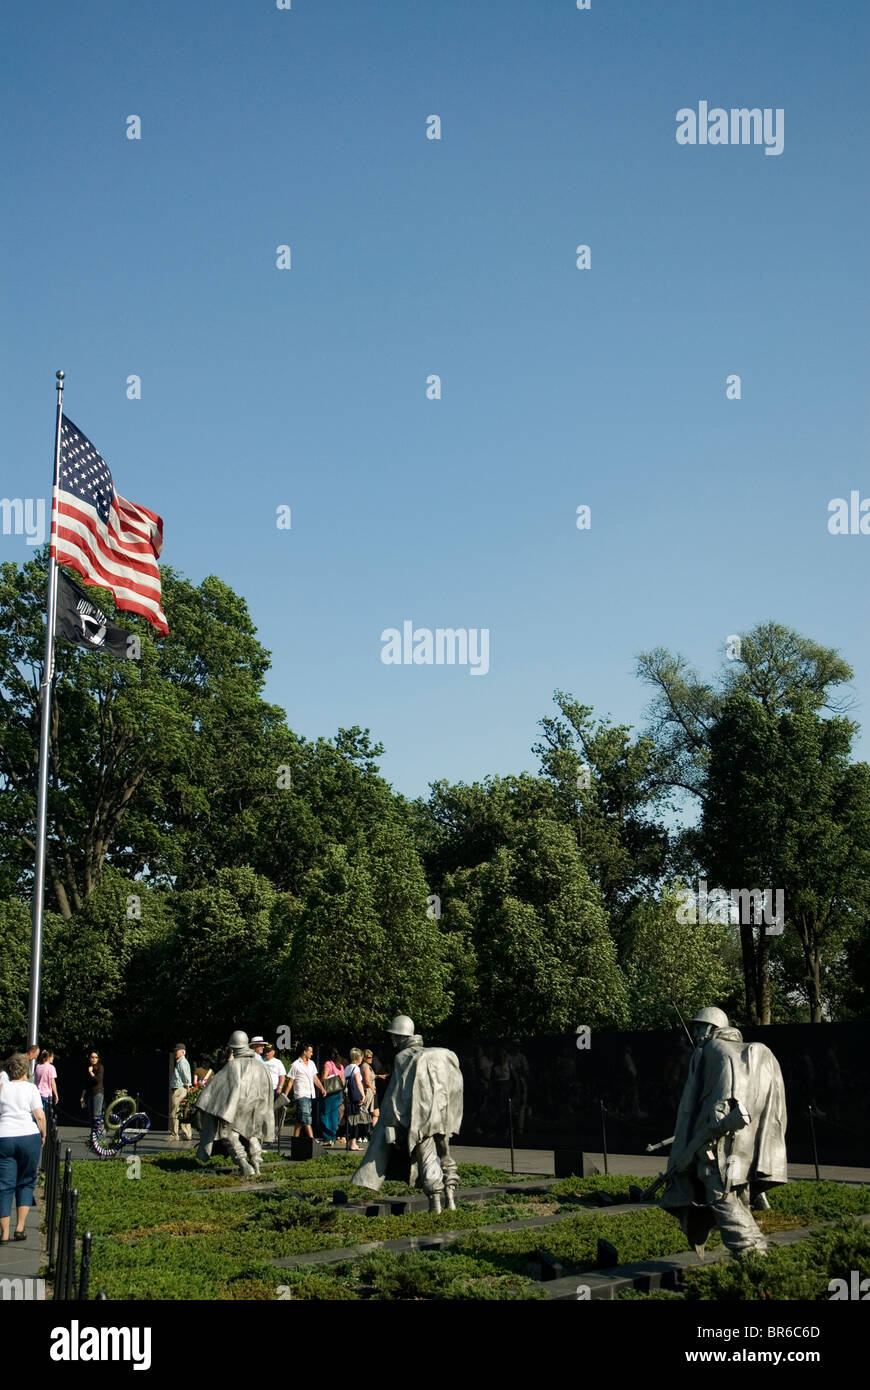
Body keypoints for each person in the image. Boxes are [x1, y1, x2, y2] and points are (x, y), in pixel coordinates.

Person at [660, 1007, 787, 1257]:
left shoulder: (716, 1049)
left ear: (712, 1028)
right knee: (737, 1201)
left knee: (720, 1198)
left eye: (699, 1027)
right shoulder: (746, 1053)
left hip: (716, 1147)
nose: (695, 1033)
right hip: (740, 1147)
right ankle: (759, 1251)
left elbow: (725, 1098)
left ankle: (750, 1256)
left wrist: (700, 1141)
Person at [352, 1016, 463, 1212]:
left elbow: (396, 1095)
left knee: (427, 1157)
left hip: (422, 1117)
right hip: (444, 1113)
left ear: (400, 1037)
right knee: (445, 1154)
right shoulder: (441, 1055)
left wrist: (393, 1123)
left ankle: (435, 1206)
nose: (393, 1041)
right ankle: (451, 1202)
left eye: (394, 1037)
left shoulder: (402, 1058)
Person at [195, 1030, 275, 1178]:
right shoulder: (262, 1066)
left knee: (228, 1135)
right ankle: (257, 1165)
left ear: (233, 1048)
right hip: (256, 1110)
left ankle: (244, 1165)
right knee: (252, 1135)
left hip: (237, 1109)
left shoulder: (233, 1066)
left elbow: (212, 1090)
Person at [0, 1053, 46, 1243]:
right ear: (25, 1070)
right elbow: (39, 1115)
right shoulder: (30, 1088)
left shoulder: (2, 1088)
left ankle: (4, 1233)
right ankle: (20, 1227)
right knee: (26, 1181)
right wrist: (43, 1134)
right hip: (28, 1136)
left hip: (4, 1137)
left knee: (4, 1186)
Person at [288, 1044, 326, 1140]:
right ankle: (311, 1139)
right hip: (301, 1094)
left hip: (310, 1094)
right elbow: (290, 1082)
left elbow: (315, 1078)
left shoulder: (311, 1063)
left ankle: (295, 1140)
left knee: (300, 1119)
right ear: (305, 1052)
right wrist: (285, 1095)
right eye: (310, 1051)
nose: (312, 1054)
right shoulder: (295, 1065)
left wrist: (321, 1088)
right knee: (306, 1118)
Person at [343, 1049, 368, 1152]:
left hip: (348, 1096)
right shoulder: (356, 1069)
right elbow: (358, 1083)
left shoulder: (347, 1068)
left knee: (350, 1119)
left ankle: (350, 1142)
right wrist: (363, 1095)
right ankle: (353, 1143)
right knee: (356, 1120)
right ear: (359, 1058)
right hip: (356, 1097)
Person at [319, 1049, 345, 1145]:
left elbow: (324, 1078)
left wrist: (322, 1081)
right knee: (334, 1115)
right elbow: (342, 1081)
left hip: (329, 1092)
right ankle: (333, 1136)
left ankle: (327, 1137)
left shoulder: (328, 1064)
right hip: (338, 1092)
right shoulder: (341, 1066)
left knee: (325, 1114)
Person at [169, 1044, 193, 1142]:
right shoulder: (182, 1062)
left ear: (182, 1052)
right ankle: (187, 1134)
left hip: (179, 1090)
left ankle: (175, 1135)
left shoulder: (182, 1062)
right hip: (182, 1089)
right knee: (183, 1113)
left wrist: (188, 1087)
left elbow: (186, 1076)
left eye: (177, 1050)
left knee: (174, 1113)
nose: (175, 1052)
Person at [80, 1050, 104, 1128]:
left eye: (96, 1057)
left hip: (98, 1094)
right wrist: (82, 1096)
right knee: (91, 1117)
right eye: (92, 1057)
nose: (94, 1059)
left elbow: (98, 1080)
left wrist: (91, 1072)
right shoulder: (88, 1067)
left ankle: (100, 1137)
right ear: (89, 1058)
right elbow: (86, 1084)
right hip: (90, 1094)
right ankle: (93, 1137)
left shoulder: (100, 1067)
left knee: (96, 1116)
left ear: (98, 1059)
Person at [361, 1049, 379, 1128]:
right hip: (369, 1092)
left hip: (371, 1092)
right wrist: (373, 1089)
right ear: (364, 1058)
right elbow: (367, 1081)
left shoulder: (368, 1066)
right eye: (369, 1057)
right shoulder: (365, 1066)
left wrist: (378, 1076)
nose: (371, 1058)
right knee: (365, 1112)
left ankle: (373, 1131)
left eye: (372, 1057)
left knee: (376, 1113)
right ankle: (365, 1132)